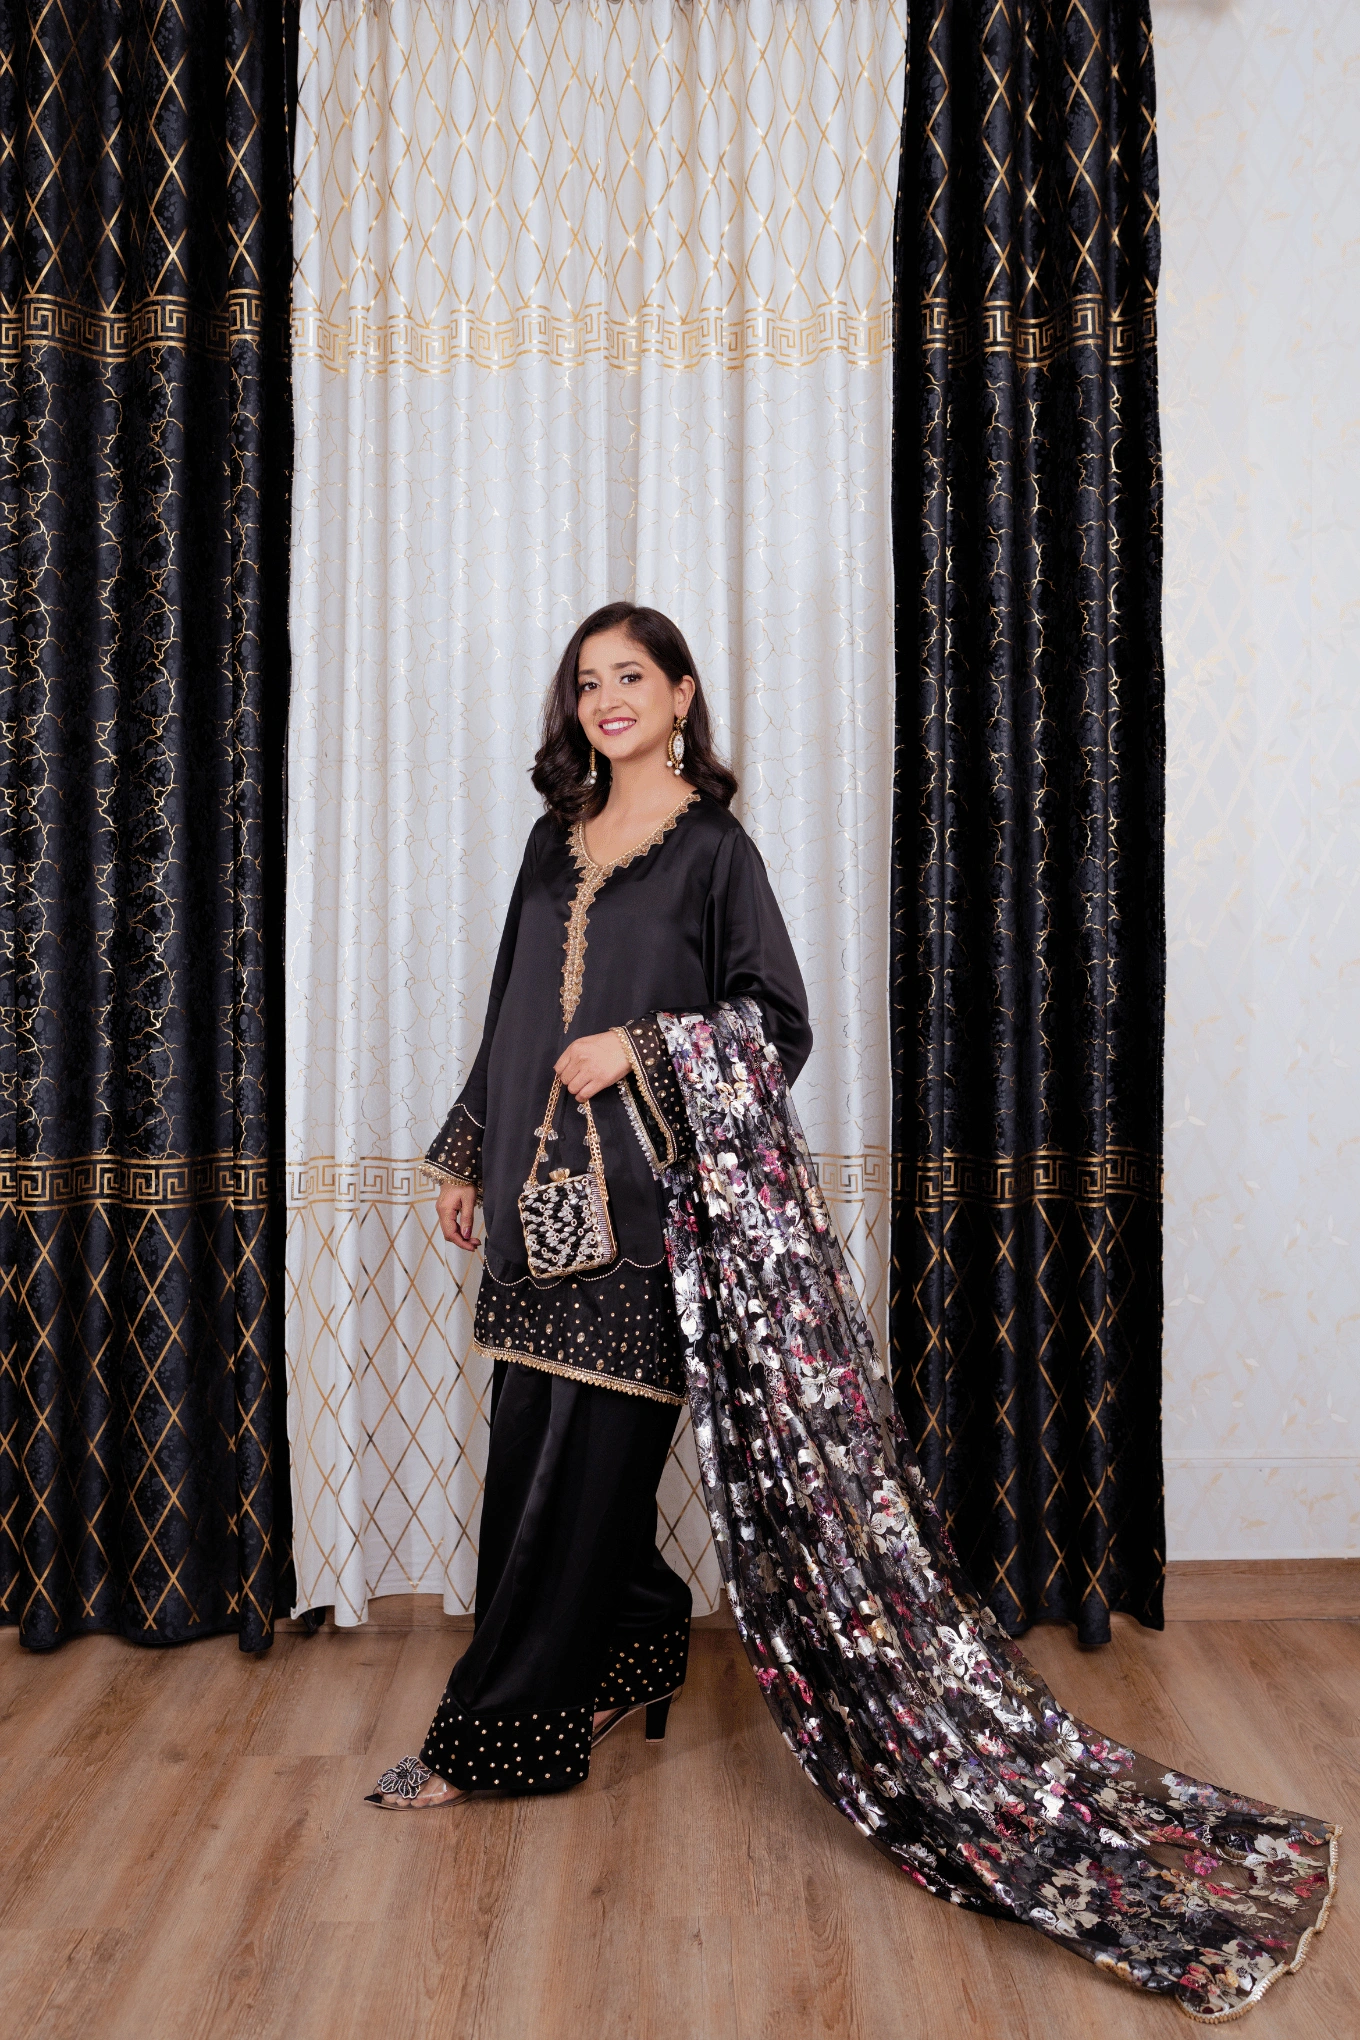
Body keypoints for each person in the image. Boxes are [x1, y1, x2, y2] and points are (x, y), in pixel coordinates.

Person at [367, 600, 811, 1808]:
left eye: (630, 676)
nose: (606, 699)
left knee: (570, 1477)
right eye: (586, 681)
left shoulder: (713, 850)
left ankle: (492, 1740)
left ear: (679, 694)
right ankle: (638, 1637)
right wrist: (468, 1153)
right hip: (534, 1204)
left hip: (643, 1214)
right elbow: (510, 1004)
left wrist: (640, 1046)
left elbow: (775, 1024)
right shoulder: (550, 839)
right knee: (535, 1466)